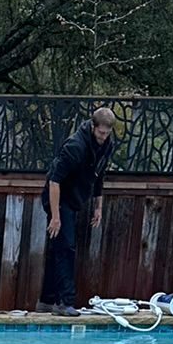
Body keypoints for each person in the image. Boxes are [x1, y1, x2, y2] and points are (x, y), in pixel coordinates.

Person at [39, 107, 116, 314]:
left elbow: (99, 175)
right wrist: (55, 217)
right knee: (66, 247)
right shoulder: (75, 146)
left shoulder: (107, 145)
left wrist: (98, 206)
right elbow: (54, 181)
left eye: (107, 133)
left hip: (73, 200)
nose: (103, 137)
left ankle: (46, 301)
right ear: (93, 127)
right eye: (100, 133)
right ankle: (65, 302)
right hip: (57, 197)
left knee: (59, 248)